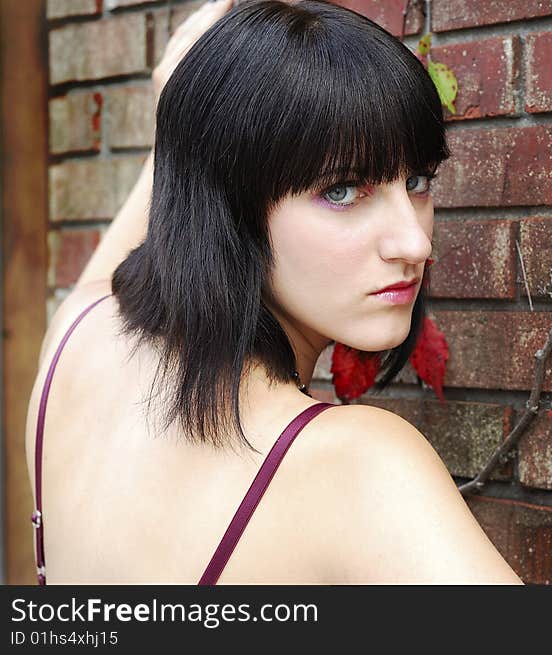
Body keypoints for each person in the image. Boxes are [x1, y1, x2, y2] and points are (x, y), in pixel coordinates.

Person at [25, 0, 523, 585]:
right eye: (342, 192)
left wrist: (181, 119)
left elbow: (157, 217)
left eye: (416, 182)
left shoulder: (75, 342)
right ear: (226, 204)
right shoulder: (357, 468)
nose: (414, 243)